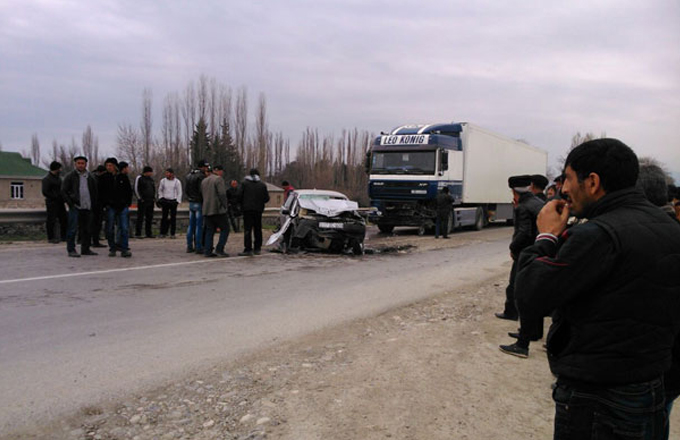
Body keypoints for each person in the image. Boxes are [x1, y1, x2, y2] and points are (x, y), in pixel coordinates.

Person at [514, 139, 680, 439]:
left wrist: (546, 237)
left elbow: (531, 297)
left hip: (598, 397)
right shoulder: (669, 226)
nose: (563, 188)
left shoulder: (598, 234)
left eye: (567, 178)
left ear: (592, 182)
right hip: (649, 388)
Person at [496, 175, 545, 358]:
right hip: (540, 251)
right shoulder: (538, 202)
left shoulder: (523, 207)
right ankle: (533, 332)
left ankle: (522, 344)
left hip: (526, 254)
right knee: (534, 294)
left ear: (514, 191)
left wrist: (513, 247)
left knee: (522, 294)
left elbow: (524, 232)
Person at [61, 156, 98, 257]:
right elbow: (64, 191)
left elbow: (95, 192)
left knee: (87, 229)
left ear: (86, 164)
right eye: (79, 163)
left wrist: (94, 205)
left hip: (88, 207)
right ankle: (71, 249)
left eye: (83, 163)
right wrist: (71, 203)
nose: (81, 165)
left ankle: (85, 249)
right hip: (76, 207)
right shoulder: (70, 176)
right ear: (75, 164)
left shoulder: (90, 176)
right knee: (72, 229)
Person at [100, 158, 132, 257]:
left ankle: (124, 248)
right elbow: (101, 193)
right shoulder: (104, 178)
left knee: (124, 228)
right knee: (110, 228)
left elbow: (129, 191)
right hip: (110, 206)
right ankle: (112, 248)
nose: (108, 167)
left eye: (110, 165)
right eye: (107, 165)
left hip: (122, 206)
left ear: (115, 166)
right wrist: (105, 204)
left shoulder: (123, 177)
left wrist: (126, 203)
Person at [238, 168, 269, 256]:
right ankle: (257, 248)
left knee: (248, 229)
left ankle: (248, 248)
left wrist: (241, 204)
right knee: (258, 229)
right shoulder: (262, 185)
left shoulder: (244, 184)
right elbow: (266, 198)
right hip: (258, 210)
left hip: (247, 209)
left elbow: (239, 195)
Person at [201, 165, 230, 257]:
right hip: (218, 209)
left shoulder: (204, 180)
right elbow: (222, 194)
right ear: (218, 171)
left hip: (206, 209)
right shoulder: (218, 180)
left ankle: (207, 250)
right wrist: (225, 205)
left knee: (210, 230)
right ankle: (219, 248)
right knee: (225, 229)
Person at [185, 160, 209, 253]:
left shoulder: (189, 176)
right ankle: (198, 246)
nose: (207, 169)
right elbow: (202, 190)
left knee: (191, 225)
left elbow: (186, 190)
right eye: (205, 167)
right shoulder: (201, 177)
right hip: (199, 202)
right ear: (202, 167)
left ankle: (189, 245)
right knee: (199, 226)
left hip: (191, 202)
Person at [42, 161, 68, 243]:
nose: (60, 170)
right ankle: (51, 237)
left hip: (60, 202)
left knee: (64, 219)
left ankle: (64, 236)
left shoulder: (58, 178)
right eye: (59, 168)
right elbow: (45, 192)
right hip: (52, 203)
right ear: (56, 169)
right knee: (51, 220)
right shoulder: (47, 179)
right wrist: (55, 197)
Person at [157, 168, 182, 238]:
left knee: (173, 218)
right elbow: (160, 190)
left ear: (172, 174)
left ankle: (172, 233)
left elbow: (179, 192)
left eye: (168, 173)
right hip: (165, 200)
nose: (167, 174)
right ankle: (163, 232)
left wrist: (177, 201)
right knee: (164, 217)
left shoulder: (177, 182)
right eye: (166, 173)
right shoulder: (163, 181)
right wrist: (161, 198)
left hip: (173, 201)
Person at [134, 166, 156, 239]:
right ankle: (138, 233)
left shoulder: (151, 180)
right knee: (140, 217)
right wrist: (140, 198)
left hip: (150, 200)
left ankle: (148, 233)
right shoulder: (139, 178)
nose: (151, 173)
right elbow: (136, 189)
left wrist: (153, 198)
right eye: (150, 172)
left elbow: (153, 189)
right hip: (143, 201)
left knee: (149, 217)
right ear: (146, 172)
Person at [90, 164, 108, 248]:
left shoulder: (93, 177)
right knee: (95, 223)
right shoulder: (94, 179)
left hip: (98, 204)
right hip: (95, 204)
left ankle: (95, 240)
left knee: (96, 223)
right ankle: (94, 240)